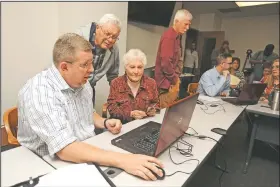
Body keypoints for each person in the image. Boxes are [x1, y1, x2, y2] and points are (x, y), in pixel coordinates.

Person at [17, 33, 164, 181]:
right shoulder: (40, 91)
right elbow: (64, 148)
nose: (92, 69)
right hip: (45, 164)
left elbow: (88, 112)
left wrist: (104, 122)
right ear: (64, 67)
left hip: (85, 151)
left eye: (91, 63)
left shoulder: (82, 82)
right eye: (85, 65)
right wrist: (123, 160)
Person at [76, 14, 121, 106]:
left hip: (89, 90)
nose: (110, 40)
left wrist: (120, 100)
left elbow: (113, 76)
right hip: (72, 89)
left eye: (114, 37)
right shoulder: (78, 39)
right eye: (107, 34)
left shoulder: (114, 49)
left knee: (90, 118)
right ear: (97, 28)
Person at [107, 49, 159, 124]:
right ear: (125, 68)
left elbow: (156, 104)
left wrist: (151, 111)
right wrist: (130, 114)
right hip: (122, 125)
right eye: (132, 67)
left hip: (144, 124)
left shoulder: (151, 83)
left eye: (140, 67)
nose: (136, 72)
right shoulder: (116, 83)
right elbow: (112, 108)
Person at [154, 9, 193, 108]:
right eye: (186, 24)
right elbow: (166, 63)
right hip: (166, 85)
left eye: (189, 25)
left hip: (171, 82)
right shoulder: (169, 37)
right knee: (165, 115)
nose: (187, 28)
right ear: (176, 22)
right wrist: (175, 80)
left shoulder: (177, 36)